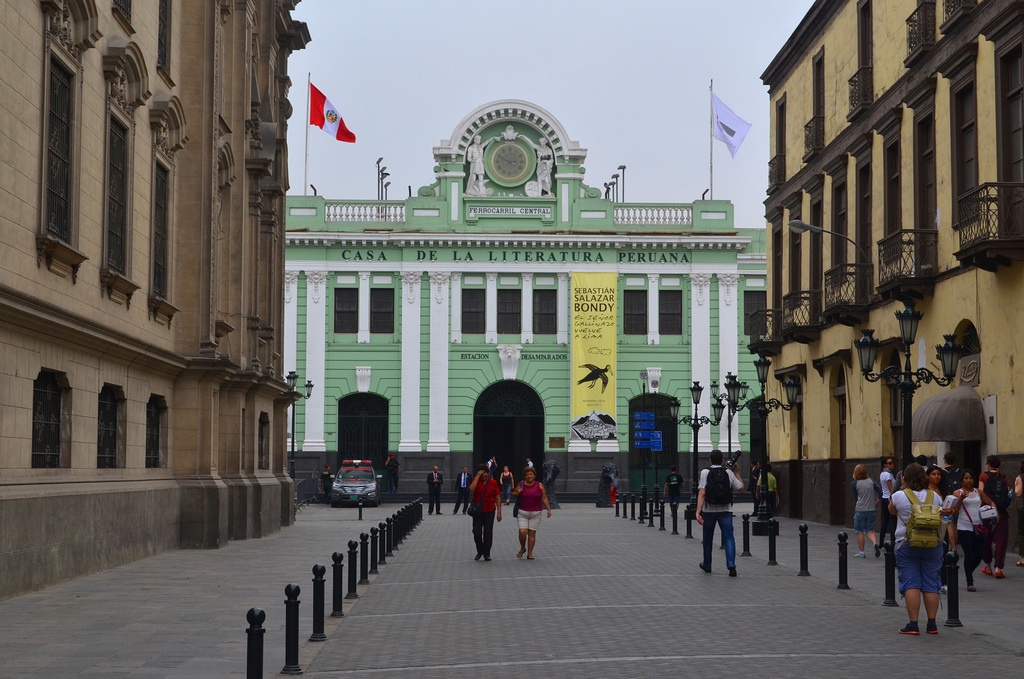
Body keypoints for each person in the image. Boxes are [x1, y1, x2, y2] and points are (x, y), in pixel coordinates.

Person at [889, 463, 949, 635]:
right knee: (931, 583)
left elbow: (891, 511)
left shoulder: (899, 495)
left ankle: (913, 624)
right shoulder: (935, 496)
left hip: (906, 543)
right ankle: (932, 625)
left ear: (904, 478)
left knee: (910, 583)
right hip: (932, 544)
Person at [696, 449, 745, 576]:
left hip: (708, 510)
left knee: (707, 538)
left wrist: (697, 512)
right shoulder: (728, 472)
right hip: (726, 510)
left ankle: (707, 564)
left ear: (710, 460)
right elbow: (741, 488)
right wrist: (736, 473)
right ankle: (731, 565)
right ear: (722, 460)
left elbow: (702, 493)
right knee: (729, 537)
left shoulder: (705, 472)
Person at [949, 469, 996, 592]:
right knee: (969, 554)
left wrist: (994, 512)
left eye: (970, 478)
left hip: (978, 526)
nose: (968, 480)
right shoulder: (957, 493)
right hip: (964, 527)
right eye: (966, 478)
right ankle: (970, 582)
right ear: (962, 480)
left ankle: (968, 571)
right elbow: (955, 510)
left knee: (979, 555)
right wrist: (961, 499)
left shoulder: (978, 492)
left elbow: (990, 501)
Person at [979, 455, 1010, 578]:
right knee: (1000, 538)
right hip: (1002, 511)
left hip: (987, 511)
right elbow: (1008, 493)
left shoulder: (983, 476)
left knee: (986, 538)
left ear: (988, 464)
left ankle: (988, 566)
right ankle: (998, 567)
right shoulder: (1003, 477)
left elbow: (981, 493)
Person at [511, 465, 552, 559]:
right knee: (522, 532)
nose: (529, 476)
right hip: (523, 512)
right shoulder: (521, 484)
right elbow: (514, 494)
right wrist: (518, 492)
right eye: (527, 475)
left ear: (534, 475)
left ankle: (530, 553)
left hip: (536, 513)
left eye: (531, 474)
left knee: (532, 533)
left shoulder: (540, 485)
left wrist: (548, 509)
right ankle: (522, 548)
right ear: (525, 476)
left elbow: (544, 498)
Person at [468, 464, 502, 560]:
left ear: (488, 473)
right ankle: (479, 551)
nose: (483, 475)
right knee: (477, 532)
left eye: (485, 473)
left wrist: (499, 512)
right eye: (481, 474)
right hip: (478, 511)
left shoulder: (493, 482)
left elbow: (498, 498)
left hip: (490, 510)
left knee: (488, 533)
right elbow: (471, 489)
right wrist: (477, 477)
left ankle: (486, 553)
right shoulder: (476, 480)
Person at [851, 464, 880, 558]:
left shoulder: (855, 484)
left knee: (859, 531)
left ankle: (862, 552)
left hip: (860, 509)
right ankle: (875, 543)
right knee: (869, 530)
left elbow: (856, 498)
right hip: (871, 509)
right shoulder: (871, 481)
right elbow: (880, 493)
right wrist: (875, 503)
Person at [879, 456, 898, 548]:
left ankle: (881, 541)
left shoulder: (883, 474)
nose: (892, 464)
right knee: (892, 521)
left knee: (885, 521)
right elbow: (891, 489)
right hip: (888, 499)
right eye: (890, 463)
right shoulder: (888, 475)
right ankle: (892, 540)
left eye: (892, 462)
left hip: (884, 498)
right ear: (885, 464)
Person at [1015, 460, 1024, 568]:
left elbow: (1018, 493)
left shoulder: (1020, 477)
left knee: (1022, 532)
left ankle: (1023, 558)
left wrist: (1016, 483)